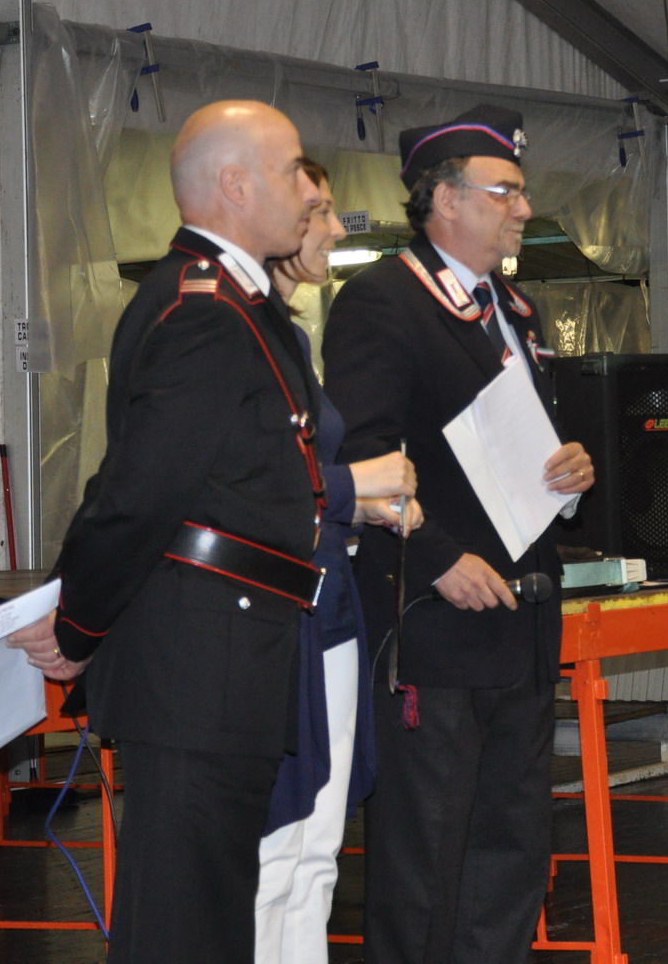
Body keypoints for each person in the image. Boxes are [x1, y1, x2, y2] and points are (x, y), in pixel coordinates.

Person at [7, 100, 336, 964]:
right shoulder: (205, 310)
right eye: (291, 170)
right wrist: (79, 624)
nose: (308, 191)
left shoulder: (239, 302)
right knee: (184, 924)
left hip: (229, 651)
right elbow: (139, 491)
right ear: (235, 184)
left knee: (209, 914)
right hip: (201, 660)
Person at [322, 104, 595, 963]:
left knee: (511, 847)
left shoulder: (513, 307)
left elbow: (518, 448)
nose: (523, 208)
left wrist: (571, 475)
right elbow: (359, 457)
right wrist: (436, 559)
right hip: (434, 623)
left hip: (522, 620)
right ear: (444, 199)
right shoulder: (383, 301)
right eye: (505, 191)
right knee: (426, 858)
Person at [255, 161, 424, 964]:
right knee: (275, 850)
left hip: (330, 614)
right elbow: (247, 485)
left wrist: (361, 508)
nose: (331, 229)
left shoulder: (291, 339)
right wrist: (355, 487)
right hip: (276, 623)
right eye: (317, 211)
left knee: (317, 851)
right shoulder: (237, 337)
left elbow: (304, 485)